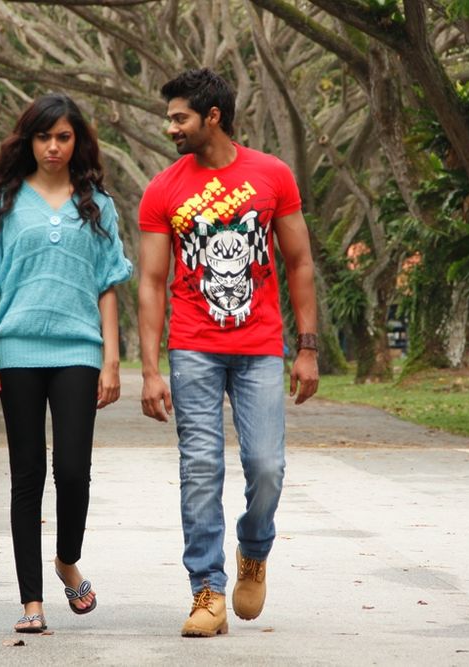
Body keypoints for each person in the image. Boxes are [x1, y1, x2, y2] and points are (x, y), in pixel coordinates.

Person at [137, 69, 319, 637]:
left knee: (266, 467)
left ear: (212, 116)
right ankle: (207, 591)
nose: (171, 128)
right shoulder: (163, 189)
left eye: (180, 118)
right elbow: (151, 282)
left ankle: (254, 550)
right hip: (193, 347)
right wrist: (149, 369)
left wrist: (307, 348)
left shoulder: (272, 175)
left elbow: (299, 263)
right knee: (200, 469)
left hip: (260, 346)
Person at [0, 93, 133, 634]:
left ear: (77, 141)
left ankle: (66, 559)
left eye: (63, 137)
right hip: (17, 350)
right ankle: (31, 603)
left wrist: (112, 360)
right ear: (29, 141)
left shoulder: (98, 205)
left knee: (73, 471)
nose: (53, 147)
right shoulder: (7, 202)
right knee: (27, 475)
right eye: (44, 137)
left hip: (79, 351)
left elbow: (108, 285)